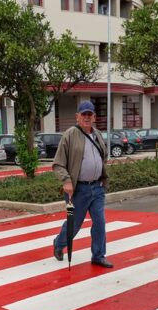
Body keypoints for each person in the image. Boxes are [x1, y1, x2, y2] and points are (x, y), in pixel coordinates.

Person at [52, 100, 113, 268]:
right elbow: (58, 163)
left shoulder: (98, 134)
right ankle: (59, 243)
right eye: (83, 114)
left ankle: (98, 255)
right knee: (75, 224)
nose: (87, 117)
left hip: (97, 187)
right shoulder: (70, 134)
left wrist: (101, 173)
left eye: (90, 114)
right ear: (77, 116)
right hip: (78, 189)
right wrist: (66, 181)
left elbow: (104, 155)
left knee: (100, 222)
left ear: (94, 117)